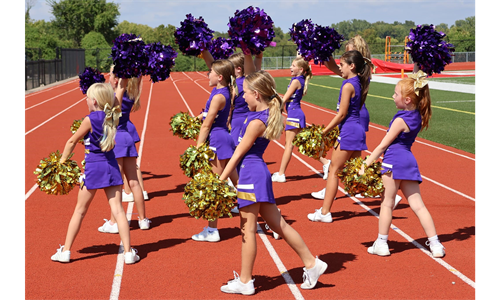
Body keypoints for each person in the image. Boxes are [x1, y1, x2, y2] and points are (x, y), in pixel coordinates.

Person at [219, 70, 327, 295]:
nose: (243, 97)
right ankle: (312, 263)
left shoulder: (257, 122)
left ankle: (246, 281)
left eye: (245, 94)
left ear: (257, 94)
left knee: (247, 228)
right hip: (257, 174)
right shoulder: (264, 114)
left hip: (250, 175)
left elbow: (237, 154)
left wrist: (220, 181)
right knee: (279, 225)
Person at [51, 83, 140, 264]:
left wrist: (61, 163)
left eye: (87, 98)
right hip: (111, 167)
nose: (86, 100)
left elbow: (71, 141)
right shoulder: (113, 117)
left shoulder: (89, 119)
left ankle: (66, 251)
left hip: (93, 168)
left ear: (93, 101)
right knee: (119, 211)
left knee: (80, 211)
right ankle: (129, 252)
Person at [360, 71, 445, 258]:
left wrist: (366, 163)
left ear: (407, 100)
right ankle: (436, 243)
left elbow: (383, 144)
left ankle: (381, 243)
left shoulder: (400, 120)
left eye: (396, 94)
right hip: (408, 162)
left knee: (387, 204)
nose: (393, 96)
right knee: (419, 206)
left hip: (392, 162)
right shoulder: (418, 116)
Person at [307, 50, 371, 223]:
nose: (339, 68)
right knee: (357, 171)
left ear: (352, 66)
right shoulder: (358, 81)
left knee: (334, 171)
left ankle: (325, 212)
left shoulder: (348, 85)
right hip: (356, 130)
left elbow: (341, 114)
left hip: (349, 131)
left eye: (342, 65)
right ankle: (389, 195)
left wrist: (324, 131)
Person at [191, 53, 239, 242]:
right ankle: (269, 216)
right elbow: (205, 116)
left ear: (219, 77)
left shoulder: (220, 95)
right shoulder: (219, 92)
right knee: (239, 184)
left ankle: (212, 231)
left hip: (217, 141)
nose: (207, 74)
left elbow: (207, 124)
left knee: (213, 187)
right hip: (222, 139)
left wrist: (197, 149)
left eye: (210, 72)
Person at [98, 67, 150, 234]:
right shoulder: (132, 93)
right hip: (127, 137)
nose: (108, 77)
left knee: (117, 182)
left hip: (117, 138)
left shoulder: (116, 96)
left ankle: (114, 222)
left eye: (111, 74)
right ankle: (143, 219)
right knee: (134, 182)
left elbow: (112, 115)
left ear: (118, 80)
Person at [271, 57, 312, 183]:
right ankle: (326, 163)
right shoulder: (298, 79)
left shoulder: (296, 81)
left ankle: (281, 174)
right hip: (295, 114)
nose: (290, 67)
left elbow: (285, 98)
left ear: (300, 69)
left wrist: (275, 100)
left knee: (289, 145)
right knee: (303, 144)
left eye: (293, 66)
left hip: (295, 115)